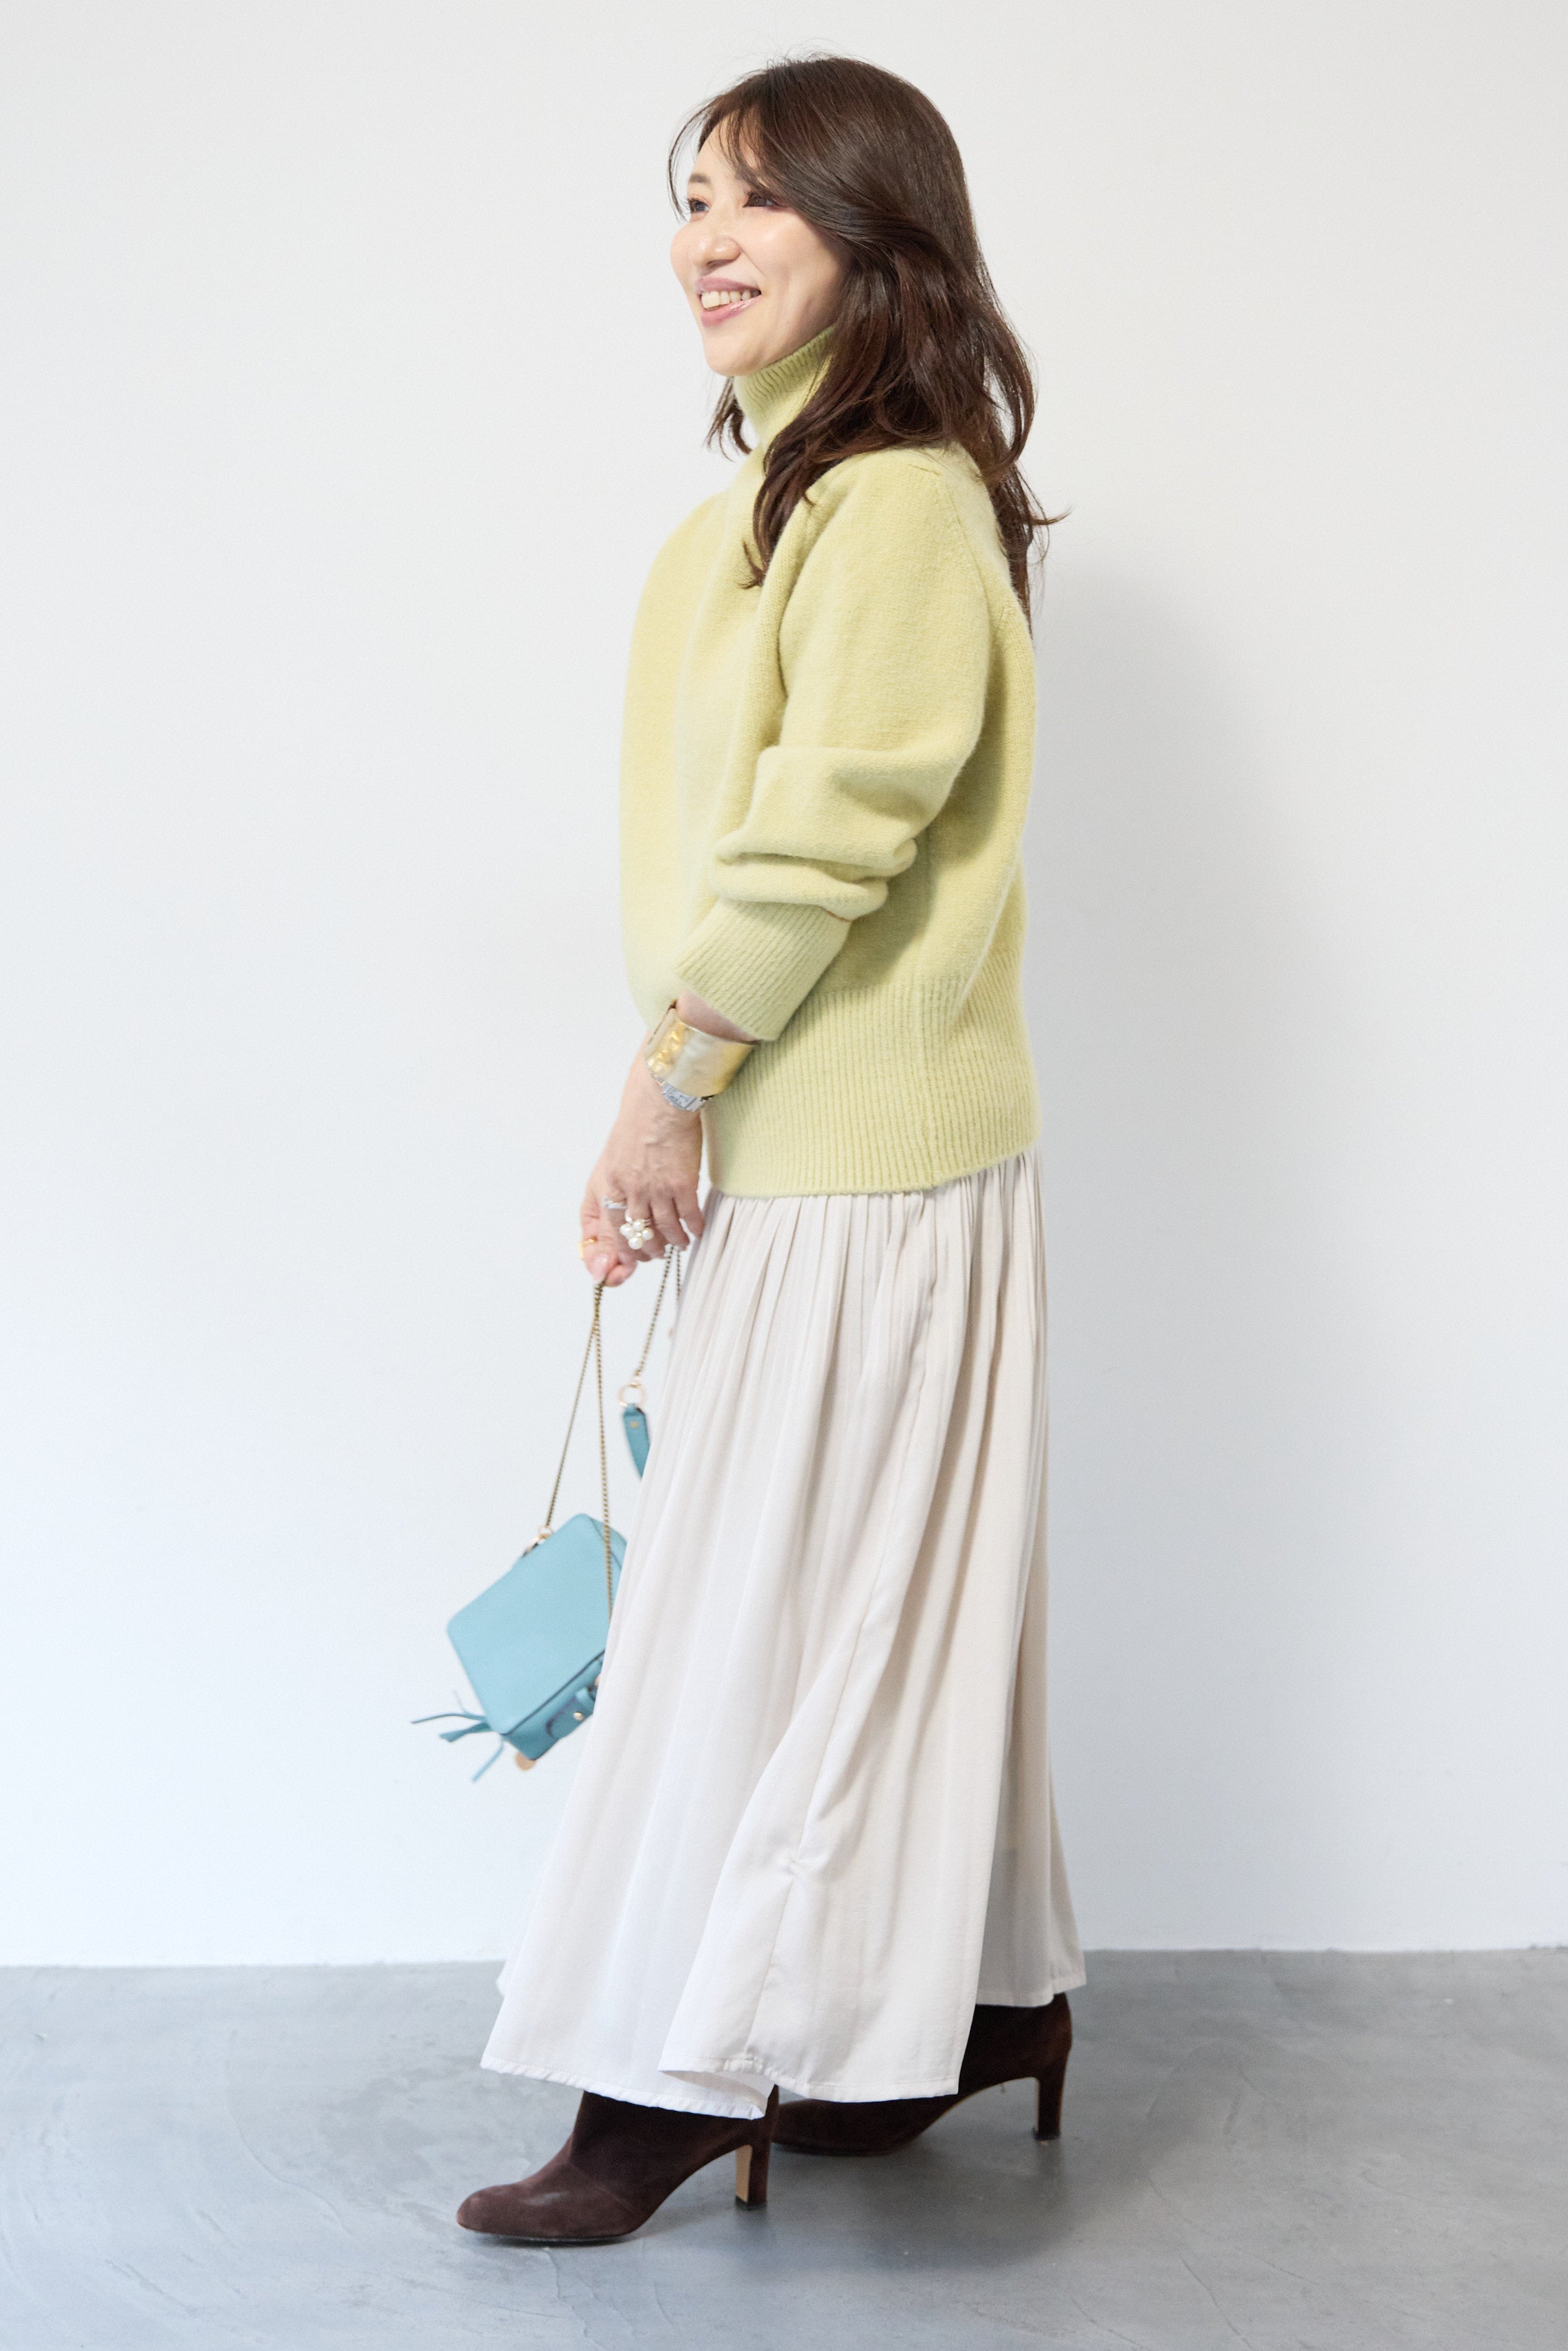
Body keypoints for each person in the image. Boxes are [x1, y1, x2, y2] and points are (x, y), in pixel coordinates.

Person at [458, 54, 1084, 2247]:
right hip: (827, 1139)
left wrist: (672, 1083)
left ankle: (666, 2070)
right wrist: (686, 1084)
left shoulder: (893, 498)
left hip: (860, 1155)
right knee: (869, 1605)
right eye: (694, 195)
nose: (707, 240)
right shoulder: (784, 506)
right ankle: (980, 2001)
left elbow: (836, 826)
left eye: (762, 200)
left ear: (878, 240)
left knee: (760, 1621)